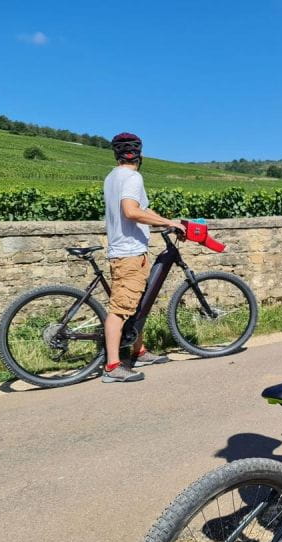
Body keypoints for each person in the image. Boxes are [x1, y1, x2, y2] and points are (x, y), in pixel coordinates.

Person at [102, 132, 183, 383]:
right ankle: (113, 366)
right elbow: (131, 211)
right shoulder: (133, 177)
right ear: (140, 154)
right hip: (128, 254)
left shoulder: (113, 177)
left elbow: (142, 209)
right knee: (120, 309)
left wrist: (163, 222)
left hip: (127, 251)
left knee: (136, 305)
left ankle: (139, 350)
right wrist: (170, 221)